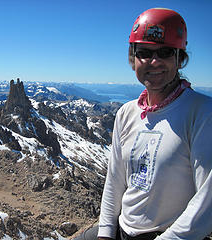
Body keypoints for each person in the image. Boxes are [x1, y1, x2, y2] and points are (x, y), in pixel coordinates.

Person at [97, 8, 212, 240]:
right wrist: (105, 233)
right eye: (144, 52)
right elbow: (115, 180)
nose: (154, 61)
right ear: (133, 58)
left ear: (180, 58)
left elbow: (207, 201)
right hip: (122, 231)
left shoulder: (202, 112)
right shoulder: (126, 113)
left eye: (165, 52)